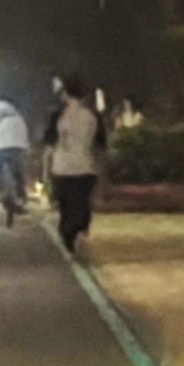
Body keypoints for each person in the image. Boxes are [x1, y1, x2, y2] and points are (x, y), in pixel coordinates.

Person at [42, 75, 107, 255]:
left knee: (65, 209)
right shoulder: (93, 116)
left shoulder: (57, 115)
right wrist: (102, 175)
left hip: (61, 169)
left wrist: (45, 173)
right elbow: (100, 147)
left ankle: (69, 239)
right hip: (86, 169)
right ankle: (79, 231)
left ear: (65, 94)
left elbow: (49, 146)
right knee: (81, 205)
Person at [0, 91, 33, 223]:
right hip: (18, 145)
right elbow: (24, 130)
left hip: (1, 145)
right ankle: (21, 195)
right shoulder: (17, 114)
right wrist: (26, 145)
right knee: (18, 171)